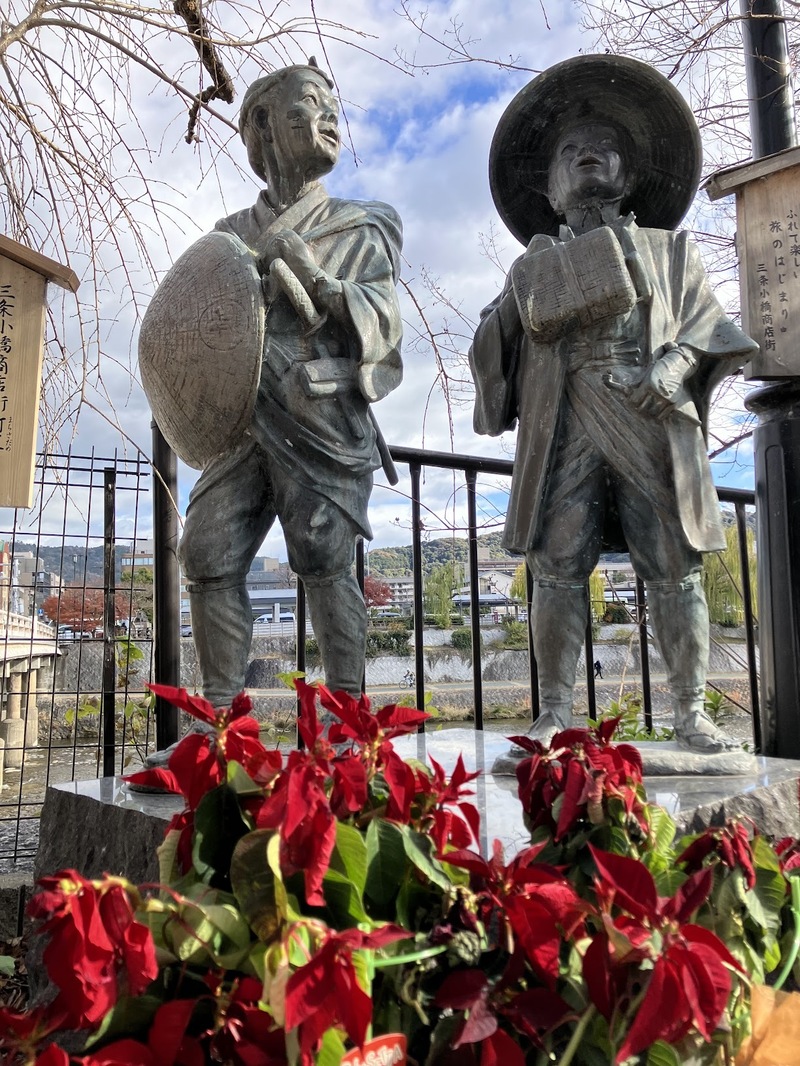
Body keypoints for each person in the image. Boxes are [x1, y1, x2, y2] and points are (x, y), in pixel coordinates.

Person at [469, 55, 758, 754]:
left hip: (649, 412)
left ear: (628, 176)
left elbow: (711, 327)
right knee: (556, 566)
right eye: (570, 149)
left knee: (673, 563)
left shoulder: (670, 252)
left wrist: (676, 364)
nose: (587, 153)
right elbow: (491, 350)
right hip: (564, 420)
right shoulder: (532, 265)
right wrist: (515, 304)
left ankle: (691, 711)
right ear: (549, 186)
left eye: (604, 146)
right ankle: (554, 710)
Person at [167, 61, 403, 713]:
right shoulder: (226, 239)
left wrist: (320, 283)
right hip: (242, 418)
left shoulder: (362, 224)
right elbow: (193, 330)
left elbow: (384, 323)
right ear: (265, 127)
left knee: (323, 554)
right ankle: (220, 723)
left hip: (320, 415)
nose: (328, 119)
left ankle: (350, 721)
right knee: (206, 549)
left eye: (332, 109)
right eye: (308, 106)